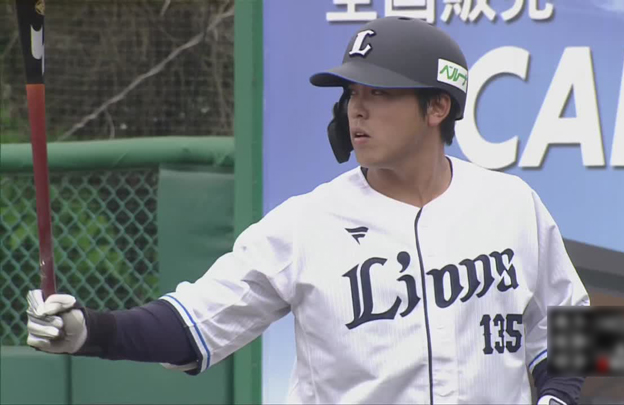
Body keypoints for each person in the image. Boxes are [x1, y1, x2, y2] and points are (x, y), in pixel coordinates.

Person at [26, 16, 589, 405]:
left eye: (379, 93)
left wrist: (558, 398)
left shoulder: (512, 205)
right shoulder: (305, 224)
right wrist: (89, 330)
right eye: (351, 93)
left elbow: (570, 325)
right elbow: (192, 323)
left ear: (437, 106)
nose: (357, 109)